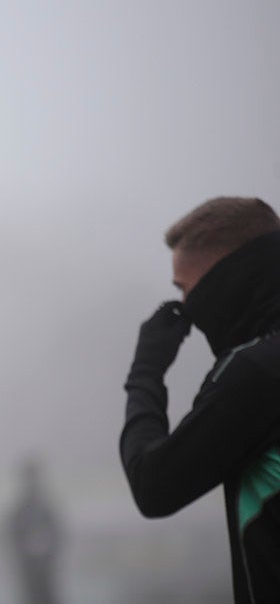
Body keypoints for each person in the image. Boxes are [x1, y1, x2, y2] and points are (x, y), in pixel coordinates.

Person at [119, 196, 280, 603]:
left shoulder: (257, 372)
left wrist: (146, 372)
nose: (187, 311)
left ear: (227, 282)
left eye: (186, 291)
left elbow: (153, 485)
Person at [6, 457, 63, 604]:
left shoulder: (43, 508)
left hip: (44, 567)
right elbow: (12, 537)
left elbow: (57, 535)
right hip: (30, 568)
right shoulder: (22, 510)